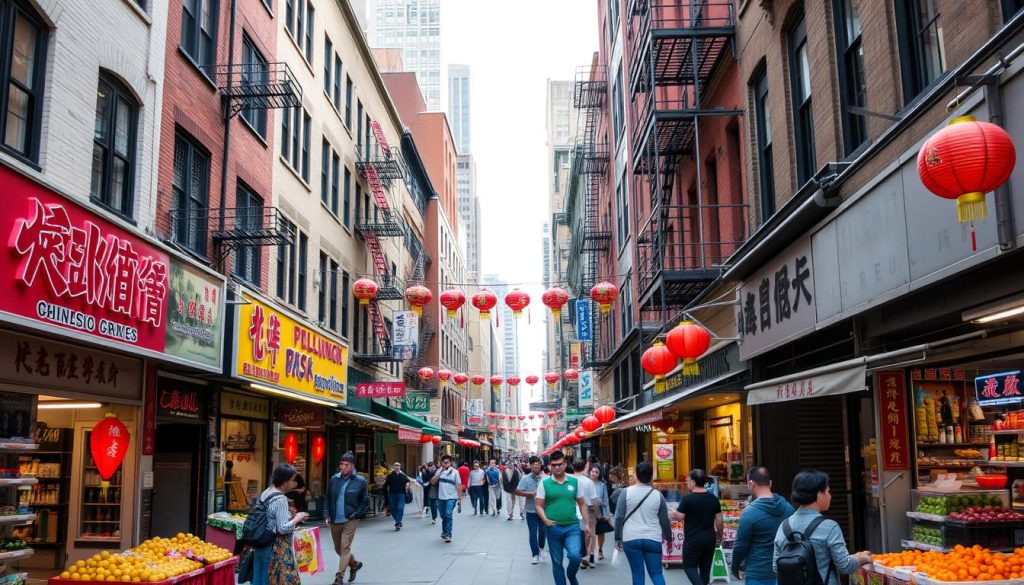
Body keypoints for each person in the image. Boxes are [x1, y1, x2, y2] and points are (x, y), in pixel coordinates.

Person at [774, 470, 872, 585]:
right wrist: (862, 558)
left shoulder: (784, 526)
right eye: (828, 491)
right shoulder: (829, 526)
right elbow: (845, 566)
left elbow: (776, 568)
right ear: (819, 494)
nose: (830, 496)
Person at [535, 451, 591, 585]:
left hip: (572, 527)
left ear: (565, 464)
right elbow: (538, 505)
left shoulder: (574, 481)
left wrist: (587, 524)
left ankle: (571, 575)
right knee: (557, 562)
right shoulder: (544, 483)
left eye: (560, 464)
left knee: (575, 556)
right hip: (553, 528)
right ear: (550, 466)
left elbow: (582, 504)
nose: (557, 467)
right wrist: (545, 520)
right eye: (554, 465)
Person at [731, 466, 794, 585]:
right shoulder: (789, 508)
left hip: (757, 572)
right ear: (770, 483)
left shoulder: (749, 513)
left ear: (751, 484)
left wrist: (735, 567)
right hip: (785, 570)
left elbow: (740, 545)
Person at [614, 462, 672, 585]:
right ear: (651, 476)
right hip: (653, 538)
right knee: (656, 573)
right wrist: (669, 539)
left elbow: (619, 517)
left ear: (636, 475)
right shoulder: (658, 495)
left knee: (637, 573)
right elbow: (664, 520)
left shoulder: (625, 492)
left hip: (631, 537)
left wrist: (617, 537)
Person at [252, 464, 308, 585]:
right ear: (285, 481)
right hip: (273, 546)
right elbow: (282, 528)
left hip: (259, 541)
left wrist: (288, 515)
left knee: (259, 578)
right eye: (293, 479)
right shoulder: (281, 499)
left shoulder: (267, 491)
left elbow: (269, 515)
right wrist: (297, 518)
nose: (295, 483)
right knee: (270, 579)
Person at [670, 469, 723, 585]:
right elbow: (719, 520)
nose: (687, 482)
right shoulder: (713, 499)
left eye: (688, 480)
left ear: (693, 482)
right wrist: (720, 536)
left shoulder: (687, 499)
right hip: (710, 538)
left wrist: (673, 513)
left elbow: (680, 517)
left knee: (689, 566)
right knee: (705, 569)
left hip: (693, 539)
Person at [326, 453, 368, 584]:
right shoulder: (334, 479)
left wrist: (355, 515)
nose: (342, 467)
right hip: (334, 520)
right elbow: (327, 498)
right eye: (341, 464)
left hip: (350, 520)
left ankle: (339, 577)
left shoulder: (360, 481)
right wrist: (326, 514)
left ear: (352, 466)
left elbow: (365, 501)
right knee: (338, 549)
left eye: (346, 465)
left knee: (344, 548)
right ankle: (354, 564)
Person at [513, 456, 547, 564]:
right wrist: (530, 493)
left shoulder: (546, 478)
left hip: (543, 510)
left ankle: (541, 548)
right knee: (532, 533)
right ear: (531, 466)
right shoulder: (525, 478)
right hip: (531, 510)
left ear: (540, 465)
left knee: (542, 532)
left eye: (537, 465)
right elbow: (517, 491)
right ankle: (535, 554)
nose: (536, 467)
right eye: (533, 465)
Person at [570, 459, 598, 568]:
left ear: (572, 466)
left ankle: (577, 554)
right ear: (584, 467)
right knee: (587, 533)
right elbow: (594, 501)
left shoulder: (568, 479)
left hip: (571, 510)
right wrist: (597, 514)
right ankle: (584, 555)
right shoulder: (588, 482)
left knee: (573, 533)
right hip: (587, 510)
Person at [430, 454, 464, 543]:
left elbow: (458, 485)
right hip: (441, 497)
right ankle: (444, 532)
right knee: (443, 515)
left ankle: (448, 533)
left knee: (448, 514)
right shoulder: (439, 471)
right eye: (443, 462)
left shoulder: (455, 472)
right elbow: (432, 482)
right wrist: (440, 472)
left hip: (452, 497)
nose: (445, 464)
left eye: (447, 462)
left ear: (450, 463)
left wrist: (459, 499)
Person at [587, 466, 611, 564]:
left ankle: (600, 549)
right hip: (589, 509)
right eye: (592, 471)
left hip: (600, 509)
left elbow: (606, 499)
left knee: (601, 532)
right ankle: (590, 551)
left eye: (596, 472)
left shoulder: (602, 485)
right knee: (590, 532)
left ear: (599, 474)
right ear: (589, 472)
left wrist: (608, 513)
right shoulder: (586, 483)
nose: (594, 473)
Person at [383, 462, 411, 530]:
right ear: (393, 467)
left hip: (401, 494)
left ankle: (398, 522)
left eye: (398, 465)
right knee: (392, 509)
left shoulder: (403, 476)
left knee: (400, 508)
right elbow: (385, 485)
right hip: (392, 494)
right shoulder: (390, 475)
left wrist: (407, 486)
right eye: (395, 465)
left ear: (400, 467)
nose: (396, 467)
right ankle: (398, 521)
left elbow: (408, 481)